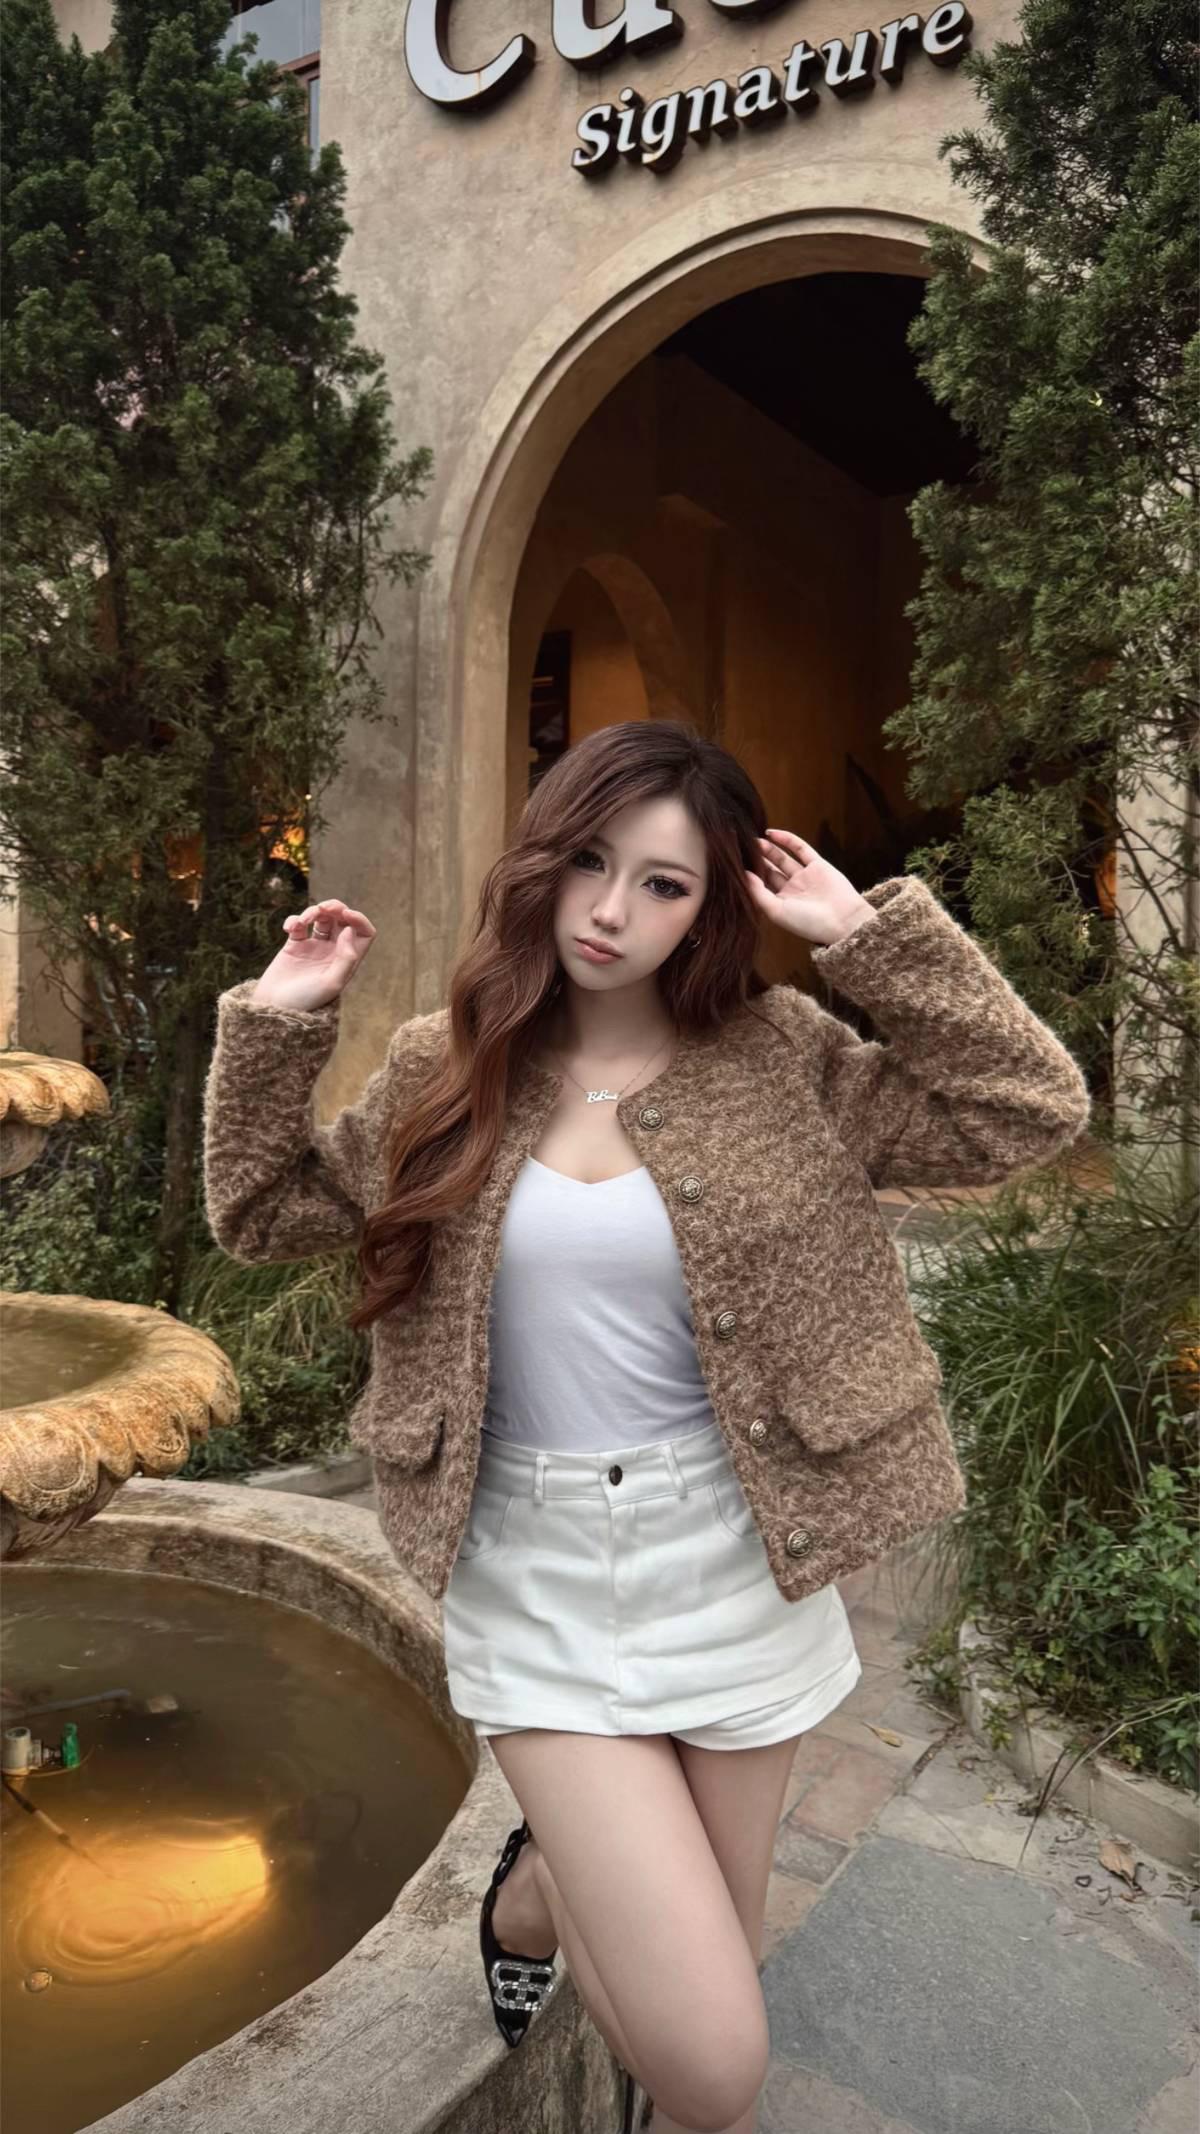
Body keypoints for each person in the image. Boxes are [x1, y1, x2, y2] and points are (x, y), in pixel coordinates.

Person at [202, 720, 1089, 2134]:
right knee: (713, 2060)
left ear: (711, 905)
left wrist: (869, 942)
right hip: (533, 1564)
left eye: (664, 884)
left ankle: (546, 1887)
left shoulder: (783, 1054)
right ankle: (543, 1884)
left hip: (733, 1558)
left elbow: (1027, 1108)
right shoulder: (449, 1062)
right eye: (590, 863)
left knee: (704, 2010)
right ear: (542, 863)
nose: (612, 910)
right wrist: (279, 1017)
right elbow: (259, 1213)